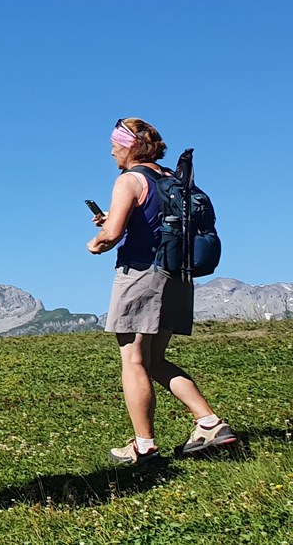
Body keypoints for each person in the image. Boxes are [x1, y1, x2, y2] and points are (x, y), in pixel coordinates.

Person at [87, 118, 237, 464]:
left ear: (130, 146)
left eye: (115, 145)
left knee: (134, 360)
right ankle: (210, 423)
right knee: (154, 360)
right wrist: (115, 220)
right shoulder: (171, 179)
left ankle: (144, 445)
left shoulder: (129, 180)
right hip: (178, 277)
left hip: (142, 276)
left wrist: (96, 242)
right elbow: (154, 221)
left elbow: (111, 236)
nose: (111, 152)